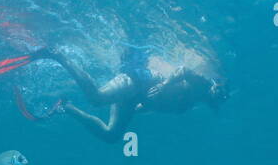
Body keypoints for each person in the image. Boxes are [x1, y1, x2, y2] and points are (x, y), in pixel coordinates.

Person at [31, 44, 227, 142]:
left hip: (136, 99)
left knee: (112, 135)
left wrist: (138, 108)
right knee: (97, 98)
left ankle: (66, 107)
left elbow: (153, 105)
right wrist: (165, 85)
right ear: (216, 86)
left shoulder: (188, 105)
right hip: (141, 79)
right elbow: (183, 70)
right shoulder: (203, 85)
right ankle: (58, 55)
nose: (217, 96)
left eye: (220, 97)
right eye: (219, 91)